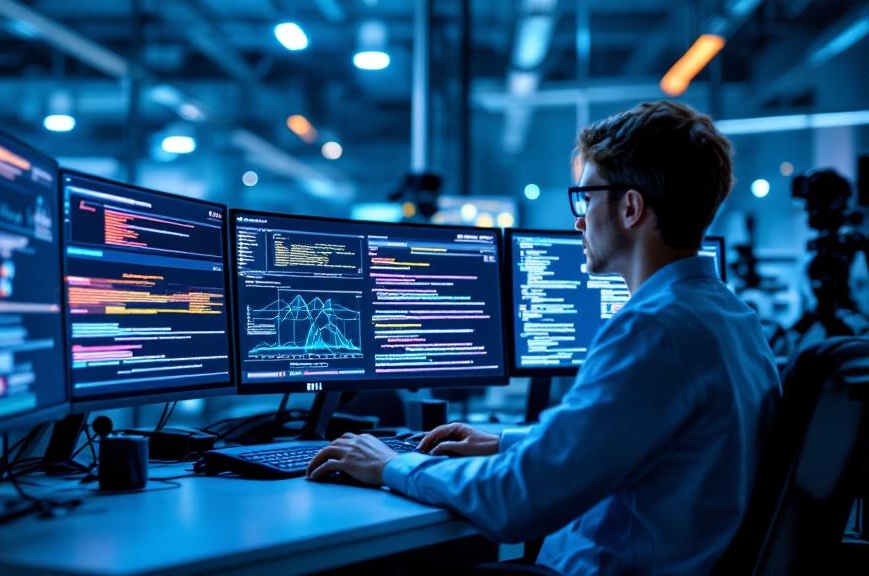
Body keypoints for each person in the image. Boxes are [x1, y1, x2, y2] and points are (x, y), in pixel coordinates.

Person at [306, 100, 781, 575]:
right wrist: (504, 442)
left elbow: (515, 502)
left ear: (631, 207)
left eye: (587, 199)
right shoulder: (731, 316)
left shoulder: (653, 328)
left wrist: (389, 465)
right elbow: (629, 441)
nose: (579, 220)